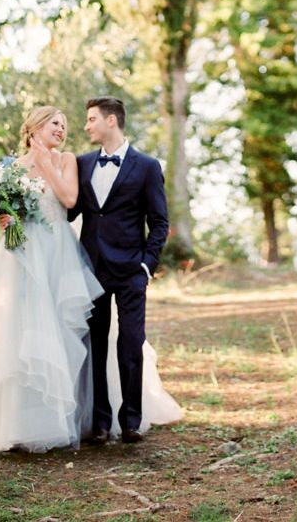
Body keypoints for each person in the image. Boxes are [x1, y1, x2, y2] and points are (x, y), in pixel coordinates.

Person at [0, 106, 102, 454]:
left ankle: (54, 419)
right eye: (56, 123)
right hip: (21, 252)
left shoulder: (66, 159)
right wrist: (3, 218)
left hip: (57, 250)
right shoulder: (9, 168)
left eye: (65, 125)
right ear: (35, 127)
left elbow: (70, 200)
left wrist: (45, 165)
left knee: (56, 329)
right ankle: (13, 421)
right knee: (14, 329)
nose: (62, 129)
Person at [70, 96, 173, 444]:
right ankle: (100, 423)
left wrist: (147, 264)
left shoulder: (146, 166)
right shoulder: (81, 164)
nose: (86, 126)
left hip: (131, 270)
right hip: (92, 269)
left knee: (131, 343)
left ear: (111, 121)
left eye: (91, 119)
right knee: (95, 346)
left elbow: (159, 221)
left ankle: (130, 420)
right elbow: (68, 211)